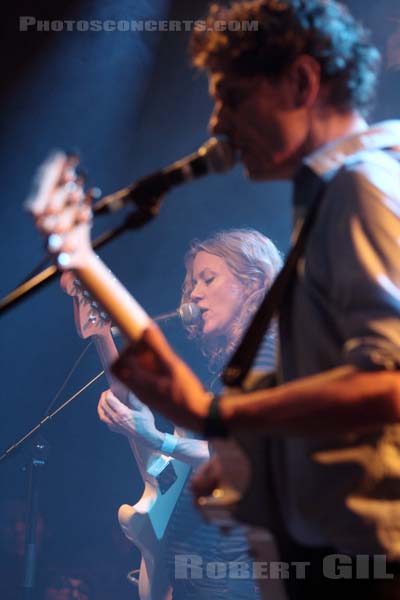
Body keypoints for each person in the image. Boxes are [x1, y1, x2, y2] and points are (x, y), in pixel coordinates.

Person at [107, 2, 400, 599]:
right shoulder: (342, 191)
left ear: (301, 82)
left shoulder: (359, 187)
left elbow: (389, 383)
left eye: (233, 96)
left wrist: (214, 416)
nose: (217, 122)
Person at [97, 228, 282, 599]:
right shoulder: (229, 374)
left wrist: (154, 436)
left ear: (254, 283)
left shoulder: (275, 355)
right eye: (193, 282)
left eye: (208, 279)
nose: (194, 292)